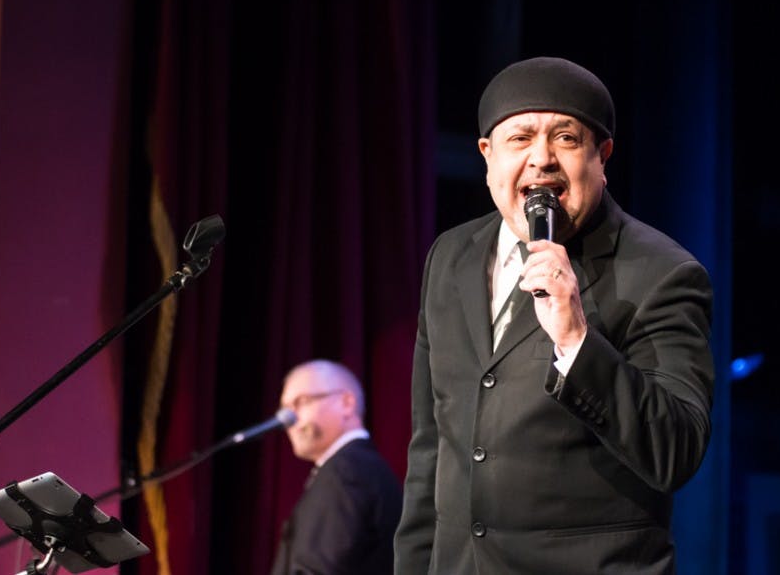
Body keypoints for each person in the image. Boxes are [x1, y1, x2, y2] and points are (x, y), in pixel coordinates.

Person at [394, 57, 714, 574]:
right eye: (520, 139)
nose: (541, 159)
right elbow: (430, 446)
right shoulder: (451, 257)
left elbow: (675, 450)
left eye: (565, 138)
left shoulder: (662, 272)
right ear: (488, 156)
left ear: (602, 156)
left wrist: (576, 340)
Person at [270, 359, 402, 575]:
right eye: (285, 409)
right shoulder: (357, 467)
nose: (288, 421)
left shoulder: (346, 471)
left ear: (346, 403)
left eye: (301, 402)